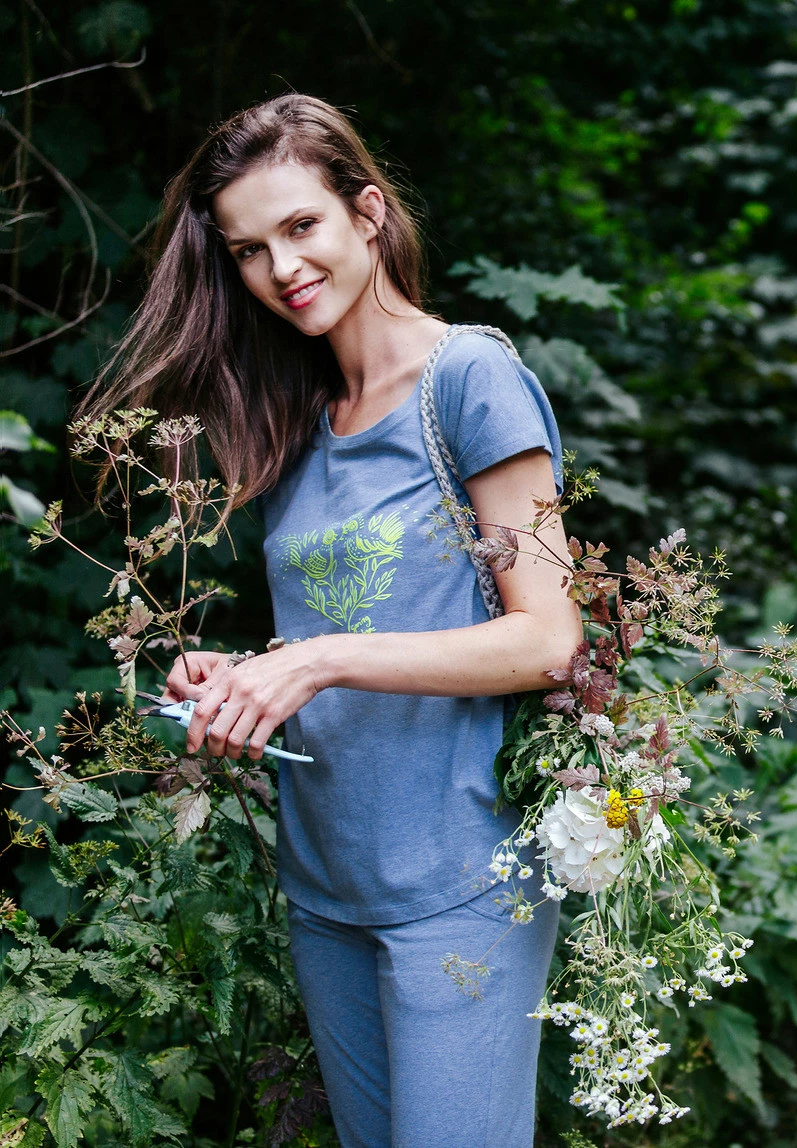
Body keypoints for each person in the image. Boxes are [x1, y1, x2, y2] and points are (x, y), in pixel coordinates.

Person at [78, 94, 583, 1147]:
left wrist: (314, 661)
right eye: (249, 249)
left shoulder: (469, 378)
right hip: (326, 883)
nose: (281, 267)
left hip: (463, 877)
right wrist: (246, 676)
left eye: (301, 225)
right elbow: (361, 623)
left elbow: (549, 639)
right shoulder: (300, 414)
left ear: (368, 212)